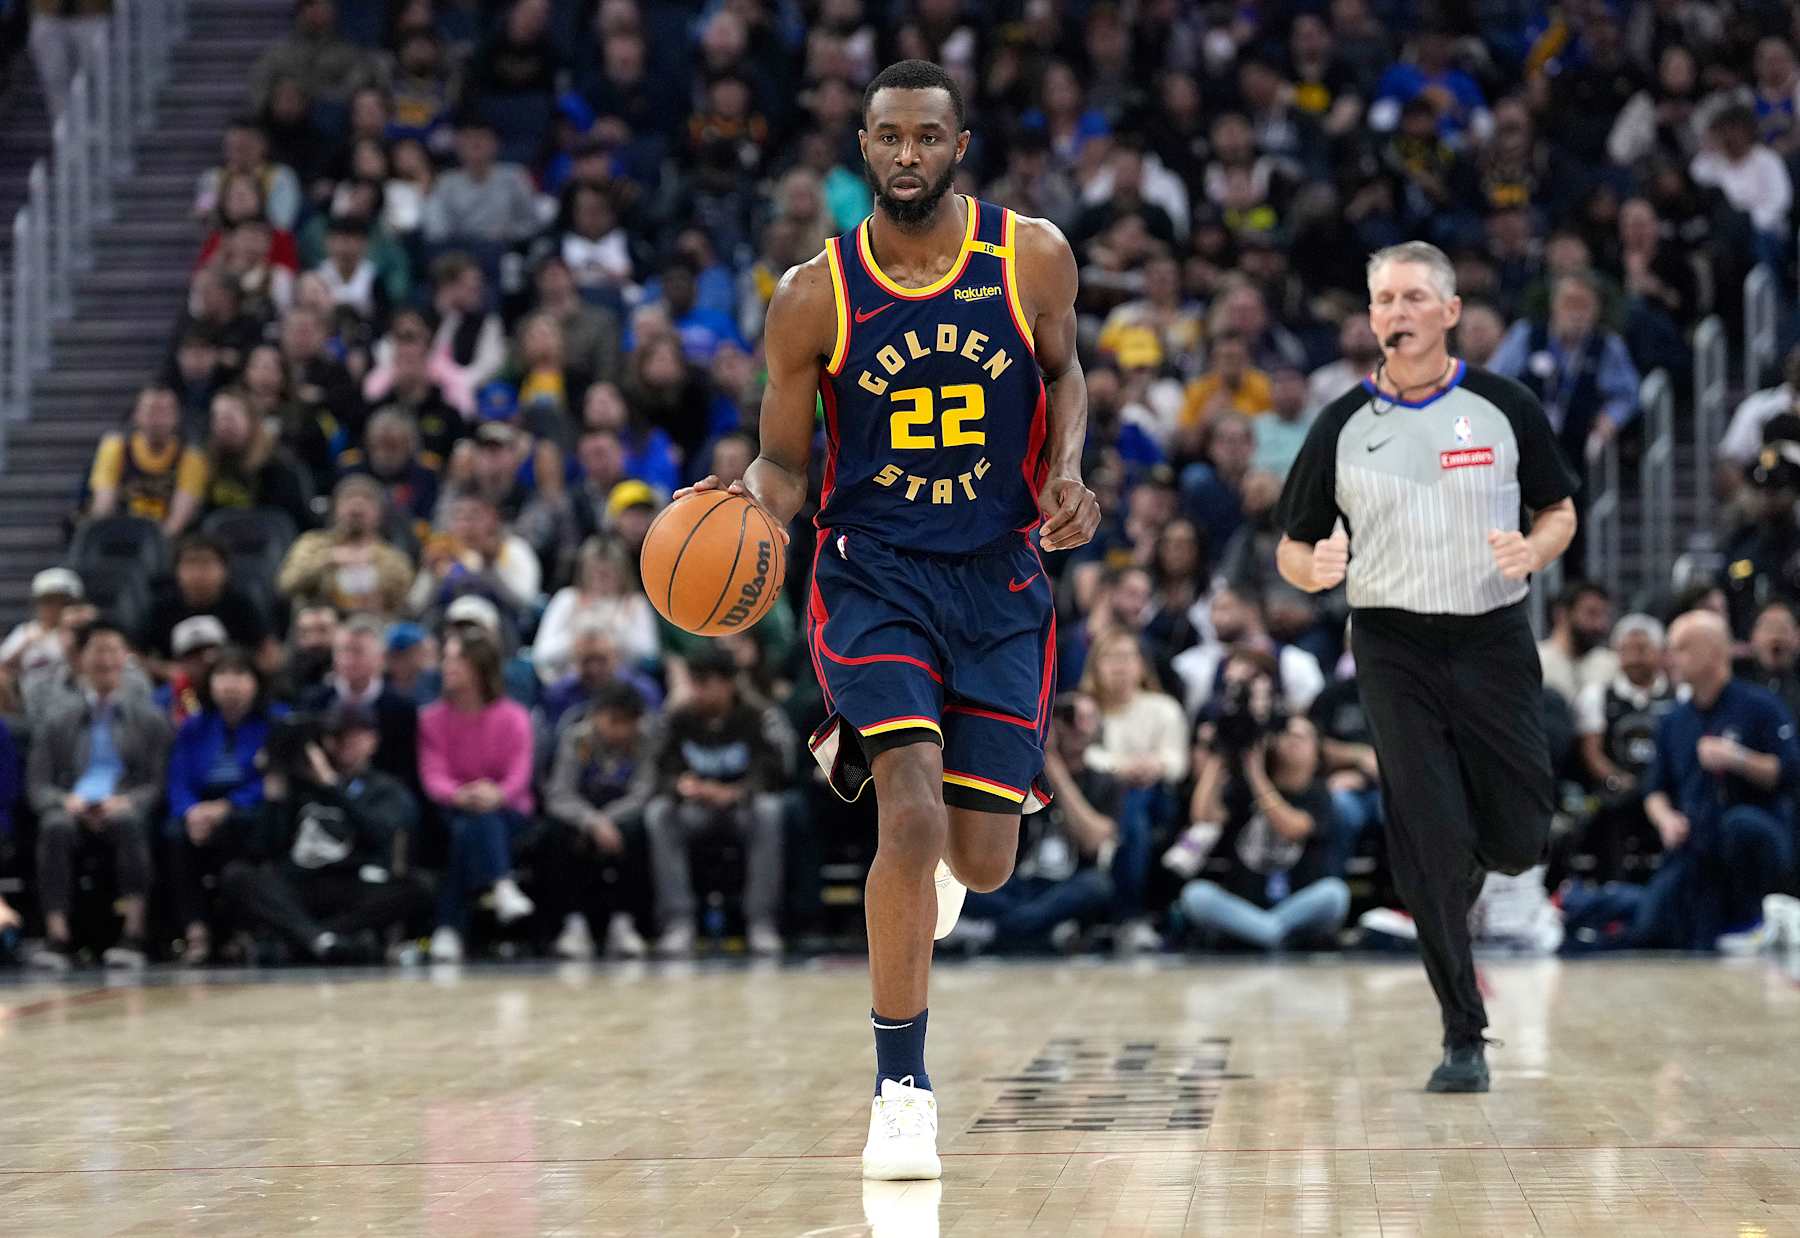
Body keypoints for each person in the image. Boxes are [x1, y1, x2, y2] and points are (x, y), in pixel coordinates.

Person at [679, 60, 1099, 1180]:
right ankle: (901, 1086)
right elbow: (780, 462)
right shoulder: (812, 292)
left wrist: (1066, 469)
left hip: (1002, 577)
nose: (906, 154)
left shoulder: (1033, 256)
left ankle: (923, 846)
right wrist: (739, 512)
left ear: (959, 145)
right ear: (861, 149)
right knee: (906, 818)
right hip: (875, 574)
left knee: (988, 861)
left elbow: (1068, 378)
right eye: (887, 137)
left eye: (926, 135)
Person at [1275, 240, 1578, 1093]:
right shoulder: (1340, 423)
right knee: (1430, 838)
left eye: (1412, 297)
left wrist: (1535, 548)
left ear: (1449, 312)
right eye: (1382, 301)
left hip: (1491, 636)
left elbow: (1559, 509)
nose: (1395, 314)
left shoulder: (1503, 405)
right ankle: (1463, 1034)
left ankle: (1456, 871)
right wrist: (1314, 571)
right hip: (1390, 644)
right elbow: (1291, 551)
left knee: (1521, 836)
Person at [1635, 611, 1799, 949]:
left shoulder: (1761, 706)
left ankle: (1756, 918)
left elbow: (1788, 771)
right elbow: (1654, 791)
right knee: (1649, 927)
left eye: (1681, 648)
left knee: (1740, 825)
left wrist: (1737, 758)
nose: (1670, 658)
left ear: (1712, 652)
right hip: (1695, 844)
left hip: (1756, 840)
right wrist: (1667, 820)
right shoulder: (1673, 721)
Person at [221, 704, 430, 963]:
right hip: (300, 883)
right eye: (335, 736)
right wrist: (275, 798)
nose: (343, 744)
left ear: (373, 741)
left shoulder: (386, 788)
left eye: (354, 736)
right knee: (237, 875)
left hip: (353, 882)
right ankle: (321, 940)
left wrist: (333, 786)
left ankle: (311, 938)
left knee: (419, 886)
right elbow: (265, 848)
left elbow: (379, 836)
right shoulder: (299, 785)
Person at [26, 624, 174, 971]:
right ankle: (57, 935)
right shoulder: (56, 718)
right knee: (54, 827)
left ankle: (134, 933)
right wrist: (64, 801)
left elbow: (157, 782)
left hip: (122, 803)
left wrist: (129, 801)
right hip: (71, 803)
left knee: (128, 821)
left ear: (126, 658)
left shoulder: (149, 718)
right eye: (96, 650)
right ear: (80, 659)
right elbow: (38, 784)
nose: (105, 659)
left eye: (112, 650)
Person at [643, 645, 786, 958]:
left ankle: (760, 922)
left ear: (728, 683)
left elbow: (775, 770)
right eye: (693, 682)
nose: (696, 691)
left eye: (704, 683)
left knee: (770, 811)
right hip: (694, 809)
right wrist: (680, 785)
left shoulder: (758, 717)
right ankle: (678, 922)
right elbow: (658, 770)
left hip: (742, 810)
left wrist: (737, 792)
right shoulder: (678, 719)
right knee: (658, 814)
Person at [946, 692, 1117, 953]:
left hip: (1066, 885)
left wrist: (1055, 767)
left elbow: (1094, 840)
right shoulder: (1023, 773)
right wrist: (1037, 753)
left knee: (1097, 886)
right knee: (956, 884)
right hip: (1015, 884)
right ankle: (1042, 929)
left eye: (1086, 718)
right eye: (1068, 716)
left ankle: (996, 932)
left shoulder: (1105, 781)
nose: (1076, 726)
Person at [1177, 710, 1348, 951]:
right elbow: (1203, 816)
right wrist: (1218, 758)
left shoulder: (1318, 794)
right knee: (1195, 895)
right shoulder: (1241, 788)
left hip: (1297, 903)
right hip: (1245, 904)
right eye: (1287, 734)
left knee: (1335, 894)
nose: (1293, 740)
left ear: (1317, 751)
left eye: (1303, 737)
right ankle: (1272, 932)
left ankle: (1263, 932)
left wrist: (1255, 774)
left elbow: (1292, 828)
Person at [416, 630, 536, 962]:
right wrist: (460, 794)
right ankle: (500, 883)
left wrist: (495, 794)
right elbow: (433, 775)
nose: (447, 667)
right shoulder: (431, 719)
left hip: (507, 809)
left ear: (479, 666)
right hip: (454, 808)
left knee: (475, 827)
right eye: (446, 659)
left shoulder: (514, 717)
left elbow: (519, 775)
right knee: (469, 825)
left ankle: (449, 927)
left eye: (456, 660)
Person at [164, 649, 279, 965]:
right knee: (176, 836)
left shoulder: (272, 723)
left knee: (239, 832)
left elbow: (269, 780)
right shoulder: (194, 727)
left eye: (241, 675)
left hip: (244, 810)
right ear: (210, 683)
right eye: (223, 675)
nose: (231, 684)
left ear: (256, 683)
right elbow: (178, 779)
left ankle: (235, 931)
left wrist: (226, 807)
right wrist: (191, 811)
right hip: (198, 811)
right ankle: (195, 930)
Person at [542, 682, 654, 960]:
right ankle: (573, 923)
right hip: (582, 813)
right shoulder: (577, 739)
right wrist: (592, 822)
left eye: (626, 723)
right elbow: (559, 794)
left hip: (622, 815)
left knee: (642, 827)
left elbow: (643, 792)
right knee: (555, 830)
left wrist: (608, 821)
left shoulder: (646, 740)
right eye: (612, 721)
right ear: (596, 715)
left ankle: (624, 922)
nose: (619, 730)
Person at [1573, 613, 1674, 881]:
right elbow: (1591, 751)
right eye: (1626, 650)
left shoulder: (1681, 695)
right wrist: (1618, 778)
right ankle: (1612, 885)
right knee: (1609, 809)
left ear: (1660, 652)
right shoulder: (1597, 696)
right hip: (1618, 786)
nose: (1634, 658)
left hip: (1666, 787)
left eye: (1641, 649)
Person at [276, 475, 416, 617]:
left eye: (367, 499)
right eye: (349, 497)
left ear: (380, 513)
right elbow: (287, 584)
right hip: (321, 626)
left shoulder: (392, 557)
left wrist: (373, 563)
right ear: (335, 508)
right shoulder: (313, 545)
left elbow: (406, 597)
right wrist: (329, 559)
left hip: (374, 628)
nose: (357, 503)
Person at [533, 536, 660, 684]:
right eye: (595, 570)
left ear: (622, 572)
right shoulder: (567, 599)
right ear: (584, 571)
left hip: (622, 684)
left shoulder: (635, 603)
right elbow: (542, 654)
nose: (601, 577)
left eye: (609, 571)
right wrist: (577, 640)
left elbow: (650, 654)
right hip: (571, 682)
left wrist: (615, 632)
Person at [84, 385, 208, 536]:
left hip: (168, 542)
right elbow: (103, 505)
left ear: (177, 416)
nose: (158, 419)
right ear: (136, 415)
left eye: (165, 412)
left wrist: (152, 545)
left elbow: (179, 519)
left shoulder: (191, 456)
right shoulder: (116, 447)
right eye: (152, 411)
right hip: (120, 532)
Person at [1536, 581, 1620, 706]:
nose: (1600, 625)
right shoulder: (1537, 659)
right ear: (1561, 615)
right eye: (1591, 613)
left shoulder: (1610, 663)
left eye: (1604, 615)